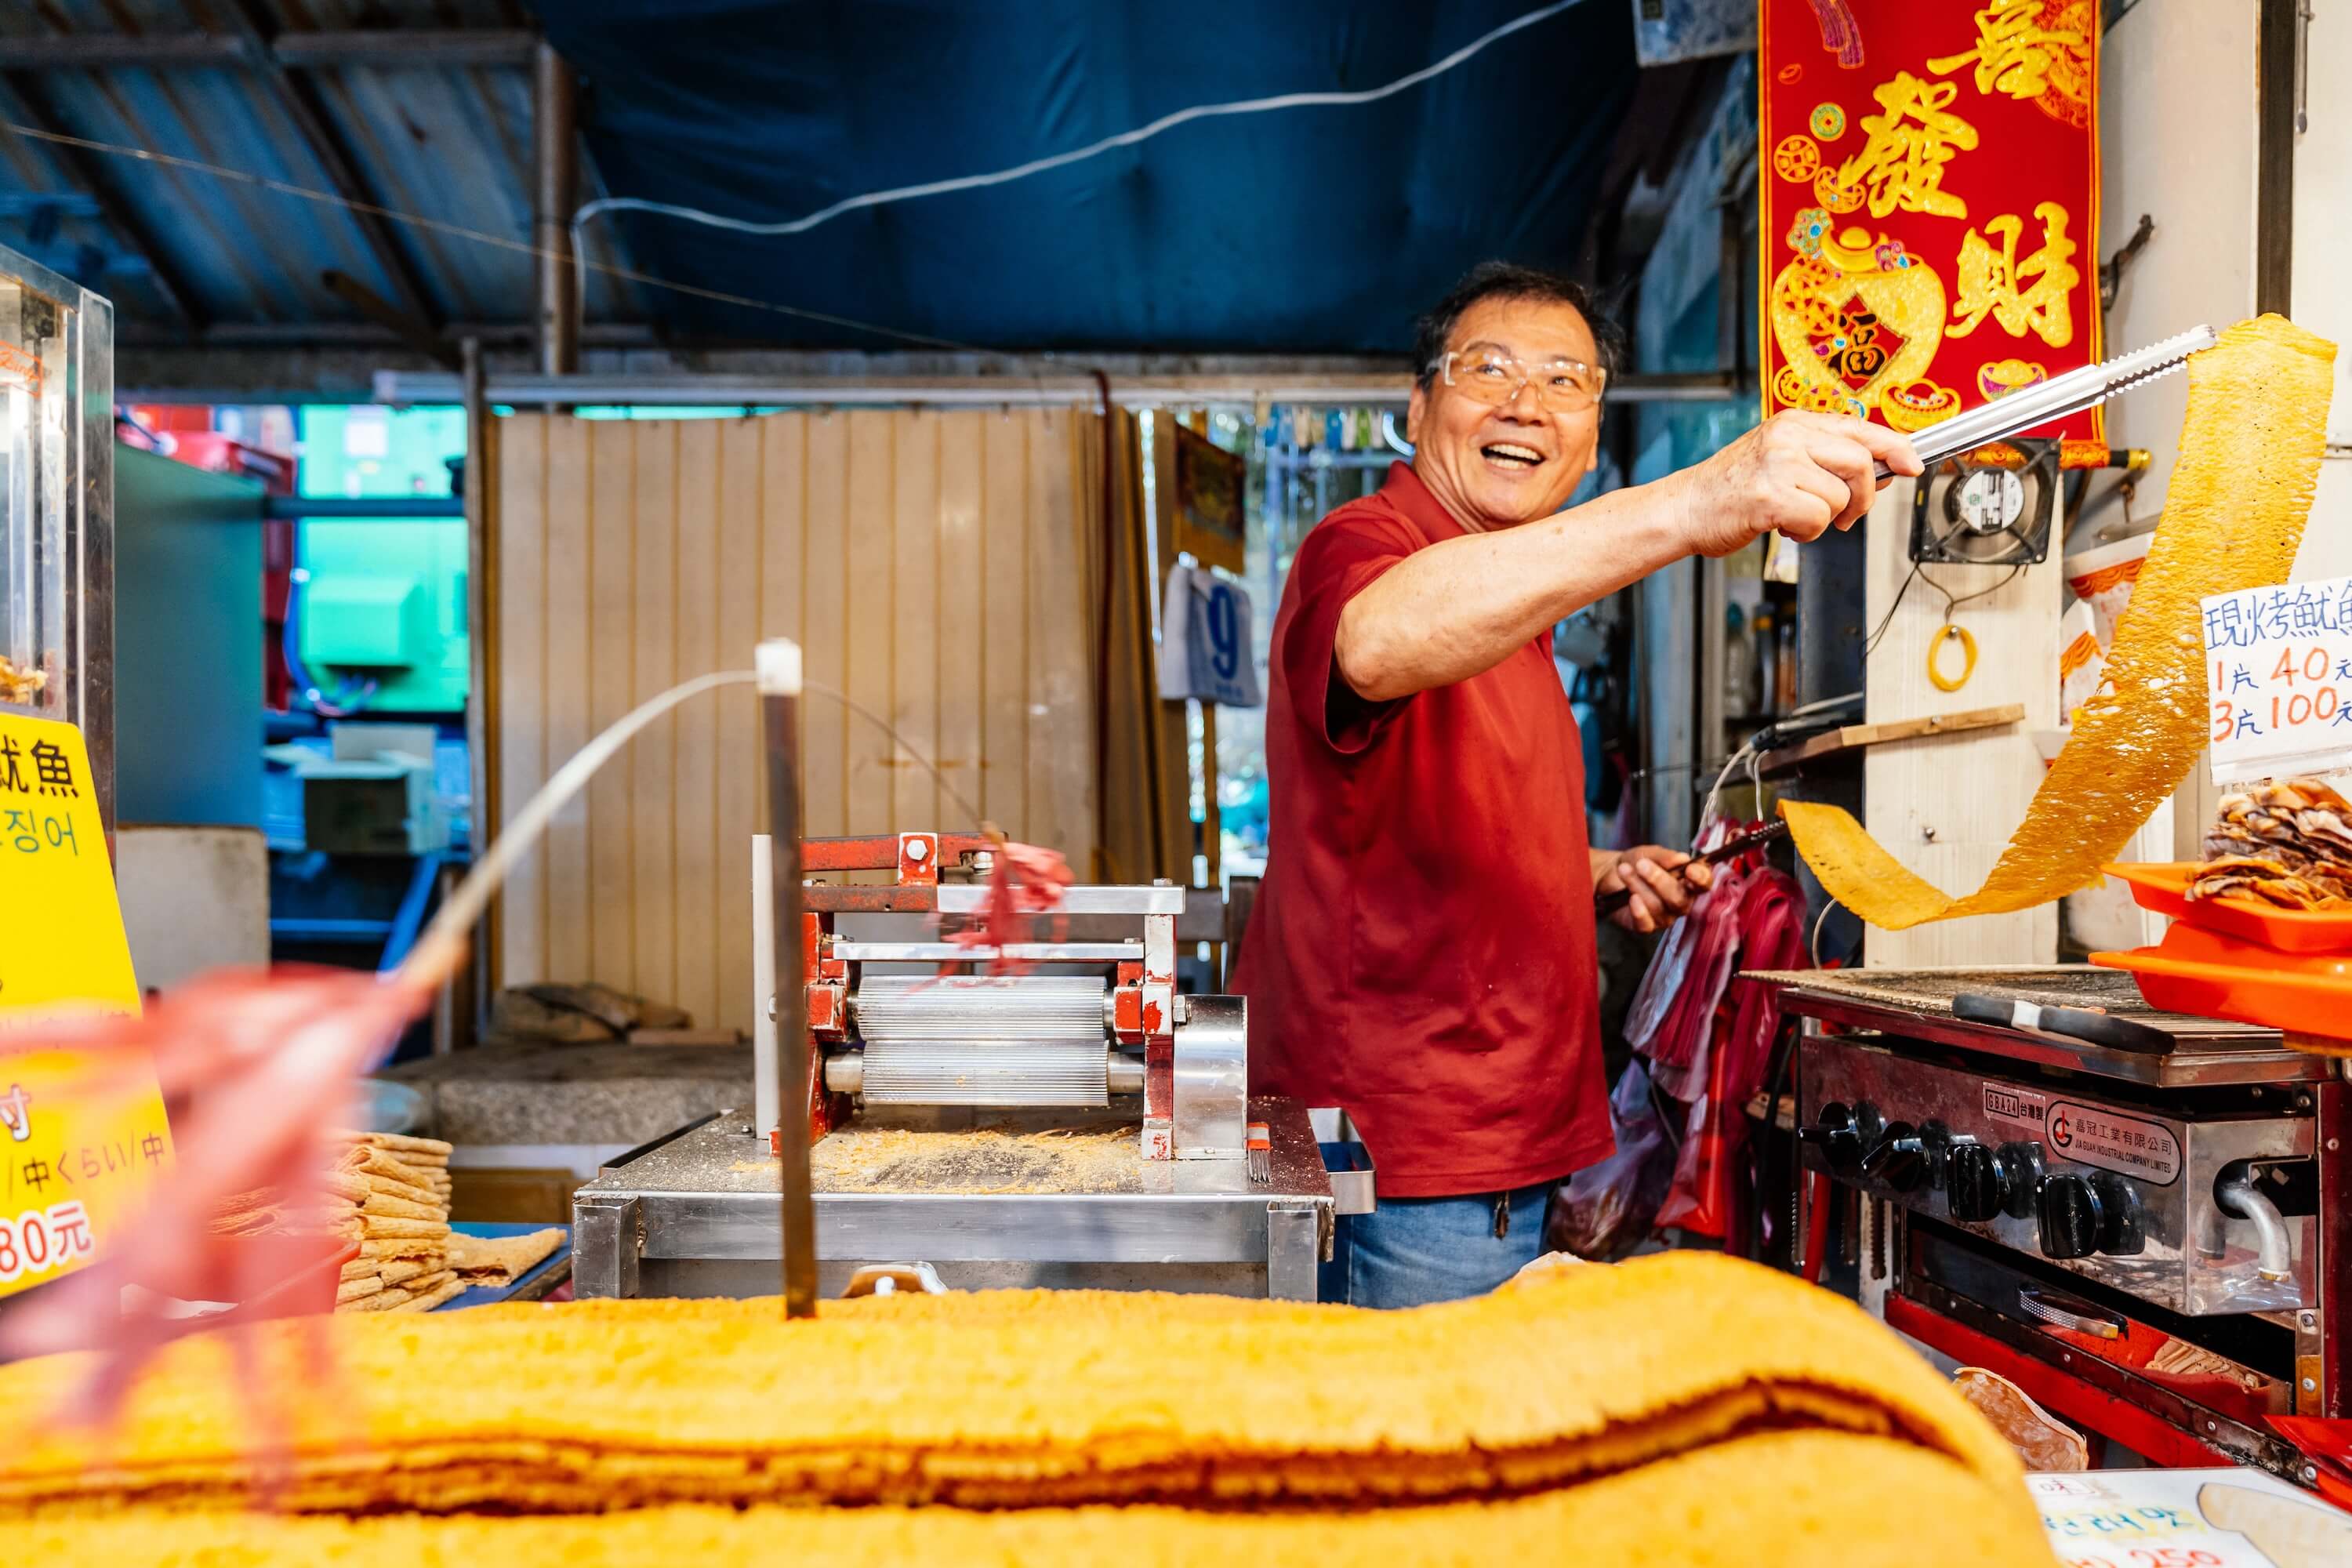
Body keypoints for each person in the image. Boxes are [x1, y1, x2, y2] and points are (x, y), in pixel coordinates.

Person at [1233, 260, 1919, 1307]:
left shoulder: (1518, 596)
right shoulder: (1367, 545)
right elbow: (1379, 639)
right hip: (1404, 1157)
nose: (1525, 404)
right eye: (1488, 370)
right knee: (1426, 1460)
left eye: (1566, 381)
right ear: (1419, 406)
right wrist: (1700, 498)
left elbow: (1411, 820)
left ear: (1594, 432)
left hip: (1496, 1144)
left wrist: (1594, 870)